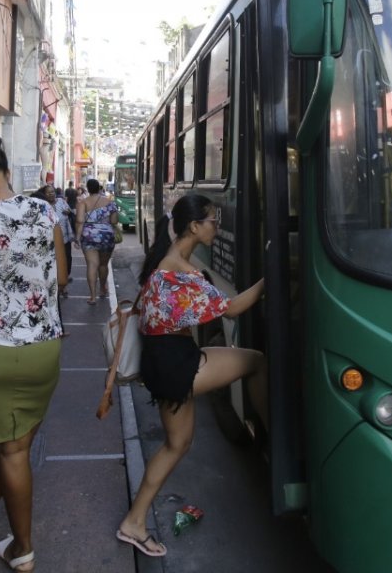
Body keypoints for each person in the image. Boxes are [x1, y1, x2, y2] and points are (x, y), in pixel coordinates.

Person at [116, 195, 266, 557]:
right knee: (256, 361)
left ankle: (134, 522)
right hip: (177, 365)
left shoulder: (166, 261)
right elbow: (232, 310)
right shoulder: (181, 271)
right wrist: (270, 278)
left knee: (177, 444)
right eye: (214, 221)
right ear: (195, 226)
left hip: (164, 362)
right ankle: (272, 437)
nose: (218, 227)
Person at [0, 131, 68, 573]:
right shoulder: (45, 211)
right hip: (44, 348)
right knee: (15, 443)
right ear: (7, 171)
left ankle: (21, 549)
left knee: (12, 447)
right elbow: (62, 278)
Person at [75, 179, 119, 303]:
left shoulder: (83, 203)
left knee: (92, 265)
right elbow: (114, 221)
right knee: (103, 265)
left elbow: (80, 221)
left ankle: (93, 297)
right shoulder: (110, 202)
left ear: (88, 189)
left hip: (88, 236)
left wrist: (77, 238)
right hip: (106, 236)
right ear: (99, 188)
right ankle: (103, 289)